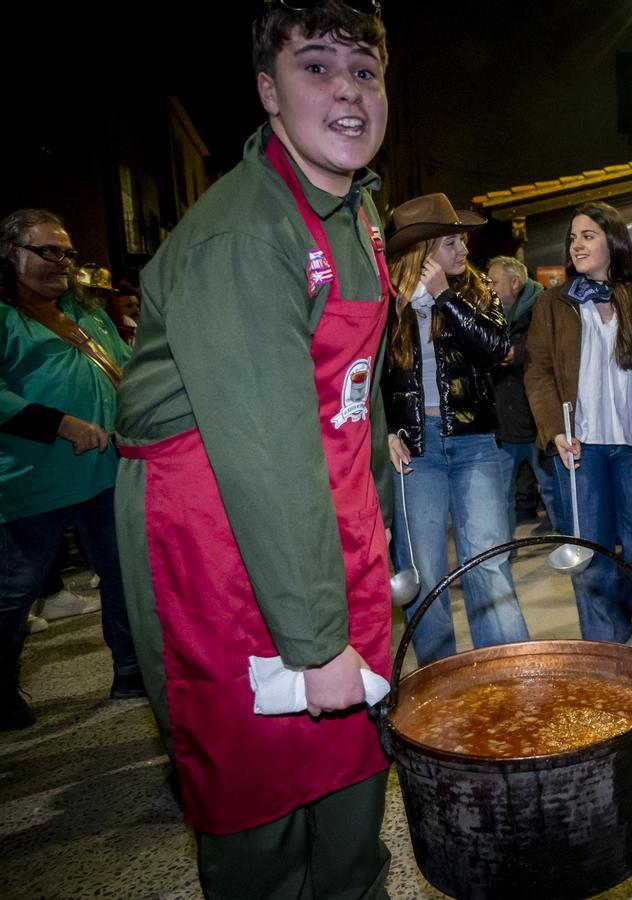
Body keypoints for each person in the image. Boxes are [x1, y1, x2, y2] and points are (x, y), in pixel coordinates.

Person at [112, 3, 393, 895]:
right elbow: (266, 457)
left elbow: (359, 396)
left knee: (353, 777)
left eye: (365, 71)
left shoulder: (359, 213)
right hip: (220, 535)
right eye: (318, 67)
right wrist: (313, 643)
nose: (348, 91)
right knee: (260, 803)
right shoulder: (243, 232)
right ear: (268, 92)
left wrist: (379, 531)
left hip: (326, 514)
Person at [0, 209, 142, 732]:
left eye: (67, 252)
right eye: (48, 251)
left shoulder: (88, 314)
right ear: (10, 255)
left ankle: (130, 670)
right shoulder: (5, 315)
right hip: (33, 480)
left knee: (124, 575)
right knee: (13, 591)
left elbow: (128, 366)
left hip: (106, 474)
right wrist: (61, 424)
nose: (63, 262)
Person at [381, 195, 528, 666]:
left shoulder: (476, 289)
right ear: (423, 251)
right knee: (423, 574)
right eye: (450, 241)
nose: (463, 248)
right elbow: (365, 374)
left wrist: (446, 297)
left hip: (474, 442)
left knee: (490, 563)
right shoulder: (385, 301)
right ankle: (441, 684)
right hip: (414, 449)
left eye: (462, 239)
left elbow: (496, 347)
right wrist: (383, 430)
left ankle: (510, 674)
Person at [525, 202, 632, 644]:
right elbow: (538, 371)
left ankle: (616, 612)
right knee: (590, 554)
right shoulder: (553, 305)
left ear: (613, 241)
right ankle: (604, 648)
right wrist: (554, 430)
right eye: (573, 238)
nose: (577, 244)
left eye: (587, 235)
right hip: (580, 448)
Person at [486, 254, 560, 535]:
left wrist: (520, 354)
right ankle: (505, 550)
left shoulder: (543, 308)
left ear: (515, 282)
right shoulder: (489, 314)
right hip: (504, 421)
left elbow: (556, 353)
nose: (488, 287)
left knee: (552, 488)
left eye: (494, 282)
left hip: (538, 419)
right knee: (500, 494)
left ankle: (569, 542)